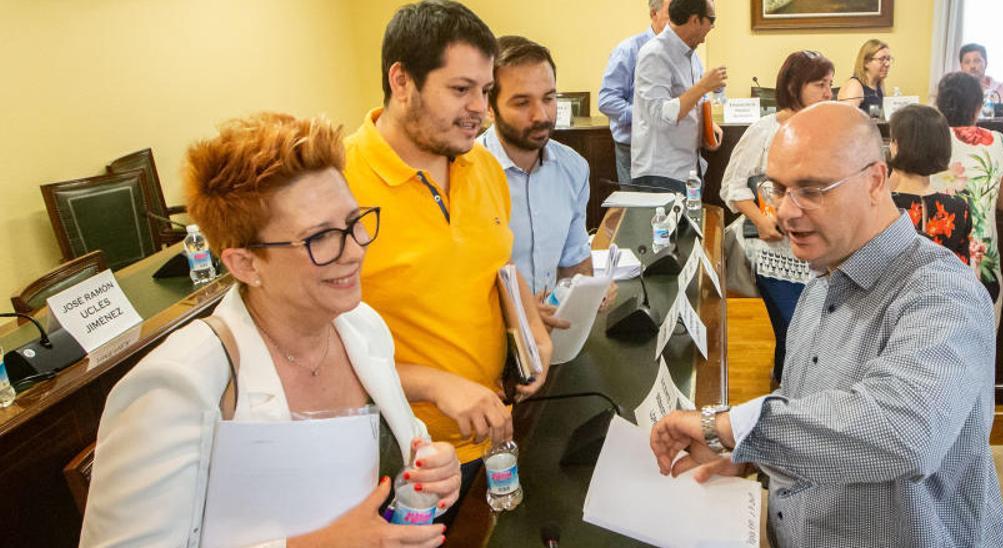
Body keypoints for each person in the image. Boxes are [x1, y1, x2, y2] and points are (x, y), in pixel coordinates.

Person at [80, 113, 461, 545]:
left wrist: (432, 469)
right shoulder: (178, 386)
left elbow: (405, 449)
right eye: (320, 238)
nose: (354, 250)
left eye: (355, 223)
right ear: (245, 263)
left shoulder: (361, 328)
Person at [650, 101, 1003, 547]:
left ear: (876, 180)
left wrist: (726, 427)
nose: (785, 211)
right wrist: (755, 458)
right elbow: (810, 402)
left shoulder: (941, 294)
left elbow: (901, 431)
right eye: (777, 189)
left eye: (812, 189)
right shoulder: (823, 277)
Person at [343, 0, 551, 528]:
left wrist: (534, 335)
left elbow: (500, 266)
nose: (479, 109)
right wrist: (437, 384)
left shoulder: (483, 166)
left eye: (484, 91)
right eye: (460, 90)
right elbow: (317, 349)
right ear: (402, 81)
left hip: (493, 436)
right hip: (402, 463)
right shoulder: (337, 183)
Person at [477, 36, 615, 316]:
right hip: (484, 342)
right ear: (489, 108)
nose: (541, 115)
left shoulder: (573, 168)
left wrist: (588, 291)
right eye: (521, 102)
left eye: (549, 98)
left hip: (551, 338)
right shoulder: (464, 173)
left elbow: (573, 261)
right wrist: (520, 312)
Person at [719, 50, 833, 383]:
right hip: (773, 250)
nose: (829, 93)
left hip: (813, 250)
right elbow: (732, 186)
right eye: (820, 85)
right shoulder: (765, 130)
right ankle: (785, 395)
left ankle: (787, 388)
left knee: (808, 332)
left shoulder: (824, 130)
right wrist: (761, 220)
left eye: (830, 85)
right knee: (794, 329)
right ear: (796, 86)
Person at [931, 72, 1003, 308]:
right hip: (983, 257)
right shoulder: (997, 140)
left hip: (938, 250)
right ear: (978, 106)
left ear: (939, 104)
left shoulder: (930, 138)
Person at [631, 0, 725, 193]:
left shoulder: (691, 56)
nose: (714, 26)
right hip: (661, 174)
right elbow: (660, 117)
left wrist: (705, 126)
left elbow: (687, 105)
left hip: (689, 168)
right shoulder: (655, 54)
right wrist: (703, 86)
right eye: (711, 19)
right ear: (695, 20)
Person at [599, 0, 692, 185]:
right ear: (653, 14)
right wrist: (647, 115)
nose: (678, 23)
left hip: (674, 149)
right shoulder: (629, 50)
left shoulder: (686, 51)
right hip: (636, 149)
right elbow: (607, 100)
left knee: (676, 210)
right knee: (640, 211)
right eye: (671, 16)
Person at [888, 104, 973, 265]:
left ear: (896, 146)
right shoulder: (959, 208)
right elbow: (962, 267)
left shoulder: (881, 209)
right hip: (946, 288)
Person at [836, 39, 892, 115]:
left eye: (888, 59)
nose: (887, 64)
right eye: (881, 59)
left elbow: (878, 116)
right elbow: (845, 121)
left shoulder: (879, 83)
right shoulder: (854, 86)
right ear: (866, 62)